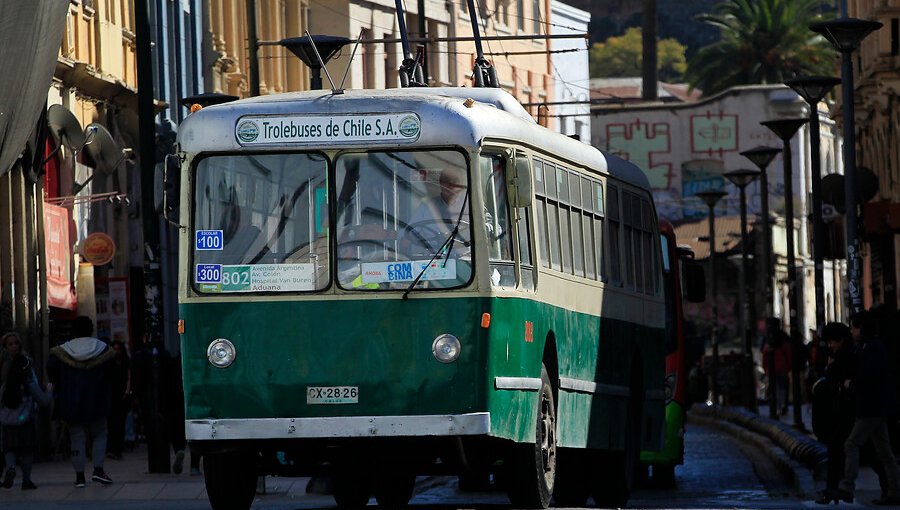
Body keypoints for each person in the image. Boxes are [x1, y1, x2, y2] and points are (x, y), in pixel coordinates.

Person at [836, 310, 900, 505]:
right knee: (885, 452)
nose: (852, 332)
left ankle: (847, 487)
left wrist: (850, 385)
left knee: (852, 443)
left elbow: (869, 380)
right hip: (877, 406)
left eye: (854, 328)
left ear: (862, 328)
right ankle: (894, 491)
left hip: (871, 407)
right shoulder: (872, 347)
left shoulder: (872, 349)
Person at [47, 316, 116, 488]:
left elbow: (52, 373)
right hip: (97, 401)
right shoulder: (103, 350)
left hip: (71, 402)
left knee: (76, 437)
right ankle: (98, 470)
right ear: (91, 329)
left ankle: (79, 477)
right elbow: (113, 375)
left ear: (73, 331)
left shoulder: (62, 352)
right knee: (100, 434)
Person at [0, 333, 52, 490]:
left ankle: (10, 468)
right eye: (11, 344)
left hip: (6, 418)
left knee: (9, 448)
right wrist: (49, 391)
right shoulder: (26, 368)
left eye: (16, 343)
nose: (14, 346)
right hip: (25, 417)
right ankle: (26, 481)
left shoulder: (2, 374)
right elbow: (42, 399)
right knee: (27, 450)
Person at [812, 323, 856, 504]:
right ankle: (833, 489)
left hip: (844, 411)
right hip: (839, 411)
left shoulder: (845, 358)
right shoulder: (842, 355)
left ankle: (836, 489)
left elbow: (835, 379)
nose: (830, 346)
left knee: (840, 450)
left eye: (832, 342)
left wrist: (831, 369)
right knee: (836, 451)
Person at [404, 167, 470, 256]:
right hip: (433, 259)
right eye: (446, 181)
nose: (450, 185)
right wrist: (405, 238)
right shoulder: (427, 206)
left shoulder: (471, 205)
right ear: (440, 183)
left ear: (461, 185)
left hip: (466, 260)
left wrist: (487, 227)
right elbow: (411, 231)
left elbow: (487, 222)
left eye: (455, 181)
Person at [106, 340, 131, 460]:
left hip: (121, 397)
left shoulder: (124, 363)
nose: (116, 351)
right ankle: (113, 448)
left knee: (120, 423)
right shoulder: (110, 363)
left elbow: (128, 377)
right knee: (113, 424)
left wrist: (127, 391)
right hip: (113, 396)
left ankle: (117, 448)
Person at [762, 317, 792, 416]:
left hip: (773, 369)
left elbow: (764, 356)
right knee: (782, 388)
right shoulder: (784, 339)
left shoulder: (767, 340)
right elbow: (788, 354)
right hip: (782, 368)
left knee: (775, 389)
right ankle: (782, 406)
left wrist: (765, 369)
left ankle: (778, 407)